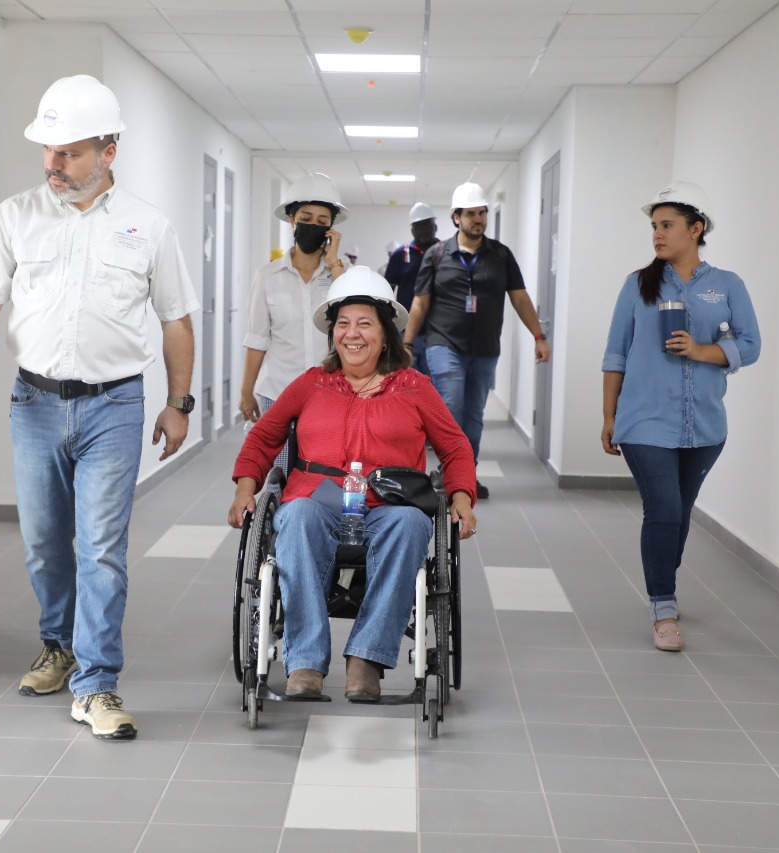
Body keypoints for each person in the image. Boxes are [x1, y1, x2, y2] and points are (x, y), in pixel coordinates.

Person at [0, 75, 199, 739]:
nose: (53, 165)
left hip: (114, 405)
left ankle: (96, 683)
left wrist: (178, 402)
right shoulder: (17, 215)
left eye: (70, 152)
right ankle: (58, 646)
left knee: (102, 549)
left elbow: (176, 321)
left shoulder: (149, 226)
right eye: (49, 151)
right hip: (33, 403)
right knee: (41, 546)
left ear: (109, 151)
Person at [228, 267, 477, 702]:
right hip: (317, 501)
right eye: (343, 324)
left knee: (410, 525)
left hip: (389, 505)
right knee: (297, 514)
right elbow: (264, 437)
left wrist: (461, 497)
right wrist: (244, 489)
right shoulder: (311, 383)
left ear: (386, 334)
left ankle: (365, 658)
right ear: (332, 334)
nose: (352, 334)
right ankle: (305, 662)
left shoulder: (415, 388)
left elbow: (455, 447)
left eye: (365, 324)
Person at [601, 181, 761, 652]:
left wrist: (704, 350)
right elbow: (615, 354)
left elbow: (751, 345)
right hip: (644, 420)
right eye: (654, 226)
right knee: (664, 510)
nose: (657, 234)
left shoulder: (726, 285)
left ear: (697, 228)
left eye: (667, 225)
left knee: (680, 515)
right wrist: (609, 416)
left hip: (705, 426)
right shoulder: (638, 284)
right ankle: (663, 606)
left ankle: (661, 587)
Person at [403, 182, 552, 498]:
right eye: (471, 213)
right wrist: (407, 342)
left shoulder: (500, 255)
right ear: (456, 217)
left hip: (485, 349)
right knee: (451, 410)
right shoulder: (437, 254)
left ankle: (465, 476)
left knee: (473, 417)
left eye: (482, 213)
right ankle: (448, 475)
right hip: (443, 346)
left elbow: (520, 298)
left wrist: (539, 336)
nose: (478, 219)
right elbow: (420, 302)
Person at [239, 173, 349, 439]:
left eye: (322, 222)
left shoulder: (342, 275)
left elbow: (353, 314)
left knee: (324, 473)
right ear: (292, 220)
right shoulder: (267, 276)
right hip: (278, 392)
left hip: (331, 392)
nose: (313, 226)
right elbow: (257, 339)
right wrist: (246, 392)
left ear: (332, 229)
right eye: (306, 219)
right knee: (278, 475)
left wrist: (334, 262)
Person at [384, 201, 439, 374]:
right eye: (418, 226)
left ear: (435, 227)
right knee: (408, 381)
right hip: (406, 332)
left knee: (436, 386)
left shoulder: (445, 252)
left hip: (437, 332)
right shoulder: (400, 255)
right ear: (412, 230)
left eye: (427, 225)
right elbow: (387, 292)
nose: (423, 230)